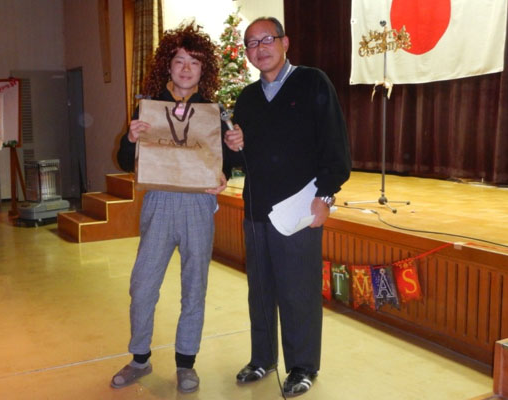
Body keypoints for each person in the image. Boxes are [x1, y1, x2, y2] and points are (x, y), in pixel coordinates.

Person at [223, 17, 351, 397]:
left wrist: (326, 196)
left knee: (299, 291)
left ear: (285, 42)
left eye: (267, 39)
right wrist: (234, 147)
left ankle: (303, 365)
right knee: (260, 290)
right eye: (251, 43)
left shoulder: (312, 82)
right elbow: (244, 157)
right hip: (256, 208)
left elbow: (335, 143)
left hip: (299, 208)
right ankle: (262, 358)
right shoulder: (247, 98)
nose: (259, 48)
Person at [113, 22, 230, 394]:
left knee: (194, 287)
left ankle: (186, 363)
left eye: (194, 62)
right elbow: (125, 161)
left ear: (203, 69)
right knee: (142, 285)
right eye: (179, 60)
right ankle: (140, 359)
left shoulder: (213, 111)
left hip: (199, 202)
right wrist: (130, 138)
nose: (185, 69)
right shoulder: (149, 107)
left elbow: (227, 162)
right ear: (168, 65)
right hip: (159, 201)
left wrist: (227, 169)